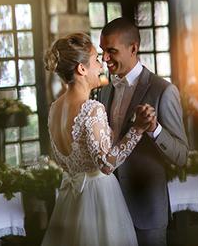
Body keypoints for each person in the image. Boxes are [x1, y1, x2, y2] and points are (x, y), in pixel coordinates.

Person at [42, 33, 156, 246]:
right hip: (98, 199)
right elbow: (106, 165)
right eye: (95, 59)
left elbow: (61, 161)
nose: (102, 63)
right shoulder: (92, 108)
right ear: (81, 69)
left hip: (70, 200)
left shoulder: (54, 109)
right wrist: (138, 129)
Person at [98, 17, 189, 246]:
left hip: (147, 210)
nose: (105, 59)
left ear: (133, 48)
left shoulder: (164, 91)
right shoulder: (106, 91)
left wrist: (155, 129)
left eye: (111, 51)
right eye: (102, 51)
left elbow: (181, 155)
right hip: (112, 206)